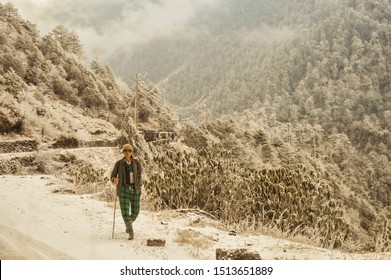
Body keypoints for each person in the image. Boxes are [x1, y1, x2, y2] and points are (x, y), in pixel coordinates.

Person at [110, 143, 142, 240]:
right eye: (125, 151)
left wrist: (138, 186)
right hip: (123, 189)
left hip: (135, 189)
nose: (127, 152)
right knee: (125, 212)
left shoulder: (136, 163)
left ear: (132, 152)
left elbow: (139, 175)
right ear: (123, 152)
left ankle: (128, 224)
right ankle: (131, 232)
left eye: (129, 150)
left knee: (136, 211)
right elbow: (112, 176)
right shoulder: (119, 164)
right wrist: (114, 179)